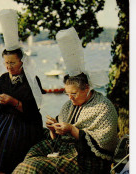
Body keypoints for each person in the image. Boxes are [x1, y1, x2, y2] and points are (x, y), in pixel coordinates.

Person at [13, 27, 118, 174]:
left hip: (87, 157)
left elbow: (104, 143)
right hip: (65, 148)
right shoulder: (69, 105)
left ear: (86, 88)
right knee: (30, 156)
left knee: (32, 167)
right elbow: (56, 135)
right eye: (67, 93)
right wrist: (53, 128)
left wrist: (72, 129)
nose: (70, 98)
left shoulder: (103, 107)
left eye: (73, 93)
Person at [0, 9, 45, 174]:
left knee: (9, 144)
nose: (9, 67)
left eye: (13, 63)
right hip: (2, 122)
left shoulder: (32, 81)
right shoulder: (3, 79)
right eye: (6, 63)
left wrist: (14, 102)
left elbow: (33, 112)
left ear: (22, 62)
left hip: (24, 124)